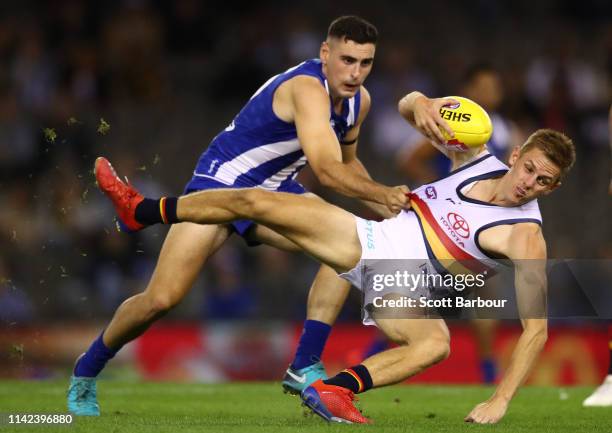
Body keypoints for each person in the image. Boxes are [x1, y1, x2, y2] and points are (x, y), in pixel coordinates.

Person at [92, 95, 576, 424]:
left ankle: (333, 388)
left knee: (436, 344)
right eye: (529, 168)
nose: (527, 183)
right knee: (257, 200)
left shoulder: (525, 236)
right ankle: (142, 211)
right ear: (516, 155)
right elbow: (407, 105)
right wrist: (422, 103)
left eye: (543, 182)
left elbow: (537, 330)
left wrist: (500, 399)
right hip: (369, 239)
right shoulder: (476, 155)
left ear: (553, 190)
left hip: (401, 283)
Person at [67, 16, 454, 416]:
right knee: (161, 299)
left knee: (348, 248)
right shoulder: (307, 88)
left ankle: (304, 365)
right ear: (325, 54)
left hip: (276, 190)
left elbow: (349, 166)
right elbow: (325, 170)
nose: (355, 73)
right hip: (222, 187)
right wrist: (382, 194)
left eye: (365, 63)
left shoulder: (360, 101)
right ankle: (87, 368)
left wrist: (402, 207)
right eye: (347, 60)